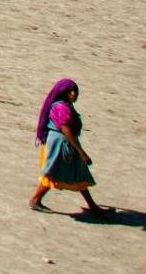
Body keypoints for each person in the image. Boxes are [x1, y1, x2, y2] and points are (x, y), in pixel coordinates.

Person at [30, 77, 106, 215]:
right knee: (54, 173)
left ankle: (93, 206)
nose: (73, 94)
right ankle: (35, 199)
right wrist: (82, 152)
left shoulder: (62, 105)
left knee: (78, 172)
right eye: (70, 91)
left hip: (65, 143)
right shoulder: (62, 107)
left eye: (75, 91)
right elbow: (65, 129)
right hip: (61, 144)